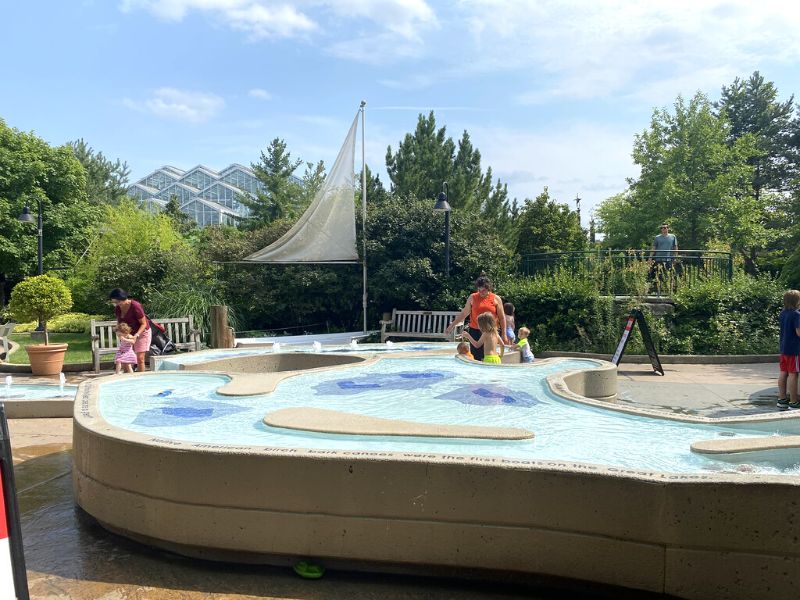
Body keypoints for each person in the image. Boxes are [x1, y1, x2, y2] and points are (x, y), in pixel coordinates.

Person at [445, 274, 508, 361]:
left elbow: (501, 317)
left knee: (489, 354)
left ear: (488, 288)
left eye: (484, 290)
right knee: (476, 357)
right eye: (479, 290)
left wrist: (504, 334)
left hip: (491, 331)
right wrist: (452, 326)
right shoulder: (473, 297)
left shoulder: (496, 298)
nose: (481, 292)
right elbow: (464, 314)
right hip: (475, 330)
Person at [109, 288, 151, 373]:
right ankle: (128, 380)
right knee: (125, 358)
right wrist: (119, 332)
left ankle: (141, 380)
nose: (116, 304)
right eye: (114, 303)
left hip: (141, 332)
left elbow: (143, 324)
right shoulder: (118, 308)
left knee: (140, 358)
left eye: (117, 302)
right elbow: (119, 323)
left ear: (123, 298)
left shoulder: (135, 306)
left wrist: (136, 335)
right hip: (128, 334)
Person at [777, 289, 800, 410]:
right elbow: (798, 332)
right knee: (793, 374)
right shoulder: (797, 314)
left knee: (783, 373)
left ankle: (782, 399)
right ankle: (794, 401)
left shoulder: (783, 313)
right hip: (794, 350)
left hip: (784, 348)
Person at [649, 224, 678, 288]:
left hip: (669, 259)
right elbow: (654, 247)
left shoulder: (673, 236)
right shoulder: (657, 237)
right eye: (662, 228)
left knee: (669, 274)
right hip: (658, 259)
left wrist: (675, 257)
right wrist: (650, 257)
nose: (663, 229)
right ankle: (658, 289)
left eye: (665, 227)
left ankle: (669, 289)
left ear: (668, 228)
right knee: (658, 274)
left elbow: (675, 247)